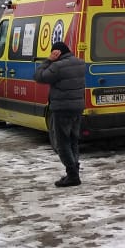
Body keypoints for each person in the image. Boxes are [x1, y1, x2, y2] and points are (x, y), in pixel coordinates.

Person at [34, 40, 86, 187]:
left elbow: (39, 76)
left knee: (62, 144)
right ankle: (74, 170)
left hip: (62, 109)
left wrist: (48, 61)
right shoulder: (80, 64)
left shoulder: (57, 66)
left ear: (56, 53)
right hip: (77, 108)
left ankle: (72, 175)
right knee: (73, 141)